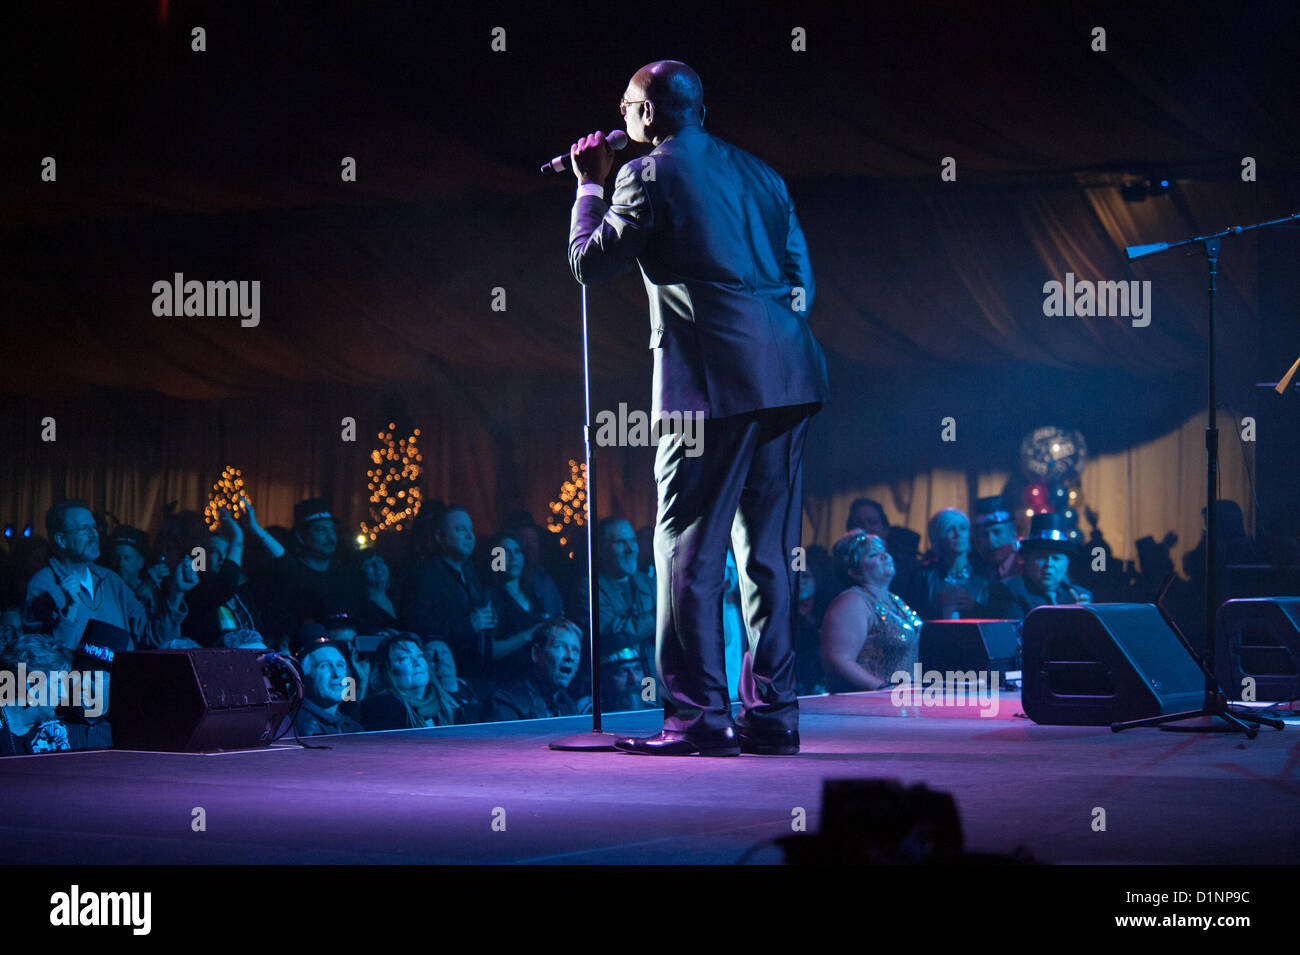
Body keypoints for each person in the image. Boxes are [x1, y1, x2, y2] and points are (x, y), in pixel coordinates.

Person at [568, 60, 829, 756]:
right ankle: (772, 715)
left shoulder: (645, 174)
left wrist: (590, 184)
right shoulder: (764, 174)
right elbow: (802, 277)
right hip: (790, 372)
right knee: (768, 552)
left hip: (709, 385)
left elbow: (591, 262)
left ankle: (696, 717)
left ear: (649, 113)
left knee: (686, 548)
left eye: (626, 105)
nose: (620, 118)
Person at [24, 500, 196, 651]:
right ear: (61, 540)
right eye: (84, 529)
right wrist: (69, 613)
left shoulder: (110, 581)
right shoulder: (42, 586)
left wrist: (176, 593)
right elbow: (44, 662)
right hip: (76, 688)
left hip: (121, 686)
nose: (94, 534)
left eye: (94, 527)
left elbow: (153, 637)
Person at [821, 531, 923, 692]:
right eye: (873, 555)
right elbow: (840, 660)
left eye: (884, 551)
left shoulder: (895, 600)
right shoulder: (852, 602)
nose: (885, 556)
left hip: (901, 702)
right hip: (869, 706)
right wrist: (883, 689)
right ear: (854, 571)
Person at [402, 506, 497, 680]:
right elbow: (418, 629)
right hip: (444, 675)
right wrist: (468, 626)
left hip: (477, 673)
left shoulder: (471, 571)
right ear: (440, 537)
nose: (470, 536)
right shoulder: (425, 576)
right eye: (460, 529)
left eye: (471, 529)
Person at [571, 517, 655, 672]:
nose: (630, 549)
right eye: (621, 542)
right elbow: (610, 633)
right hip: (614, 682)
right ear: (601, 550)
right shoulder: (588, 588)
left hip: (650, 678)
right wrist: (657, 617)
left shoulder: (650, 584)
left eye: (632, 540)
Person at [987, 513, 1093, 619]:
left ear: (1067, 564)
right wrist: (1072, 618)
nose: (1049, 564)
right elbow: (1019, 632)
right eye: (1041, 557)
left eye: (1056, 558)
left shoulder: (1079, 595)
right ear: (1027, 560)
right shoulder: (1009, 590)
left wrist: (1087, 617)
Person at [486, 618, 584, 722]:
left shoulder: (569, 707)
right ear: (536, 654)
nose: (570, 657)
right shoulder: (507, 701)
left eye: (575, 650)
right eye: (559, 646)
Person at [361, 632, 457, 730]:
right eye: (404, 658)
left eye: (420, 655)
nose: (417, 663)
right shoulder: (381, 709)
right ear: (388, 670)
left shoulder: (446, 704)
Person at [911, 508, 992, 620]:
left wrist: (974, 607)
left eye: (963, 528)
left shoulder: (984, 575)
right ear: (937, 537)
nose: (958, 534)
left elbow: (996, 615)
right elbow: (913, 616)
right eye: (950, 529)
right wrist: (935, 607)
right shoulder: (924, 576)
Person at [291, 625, 364, 736]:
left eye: (340, 665)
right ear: (302, 675)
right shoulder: (293, 728)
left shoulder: (353, 728)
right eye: (324, 666)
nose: (337, 674)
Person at [971, 496, 1021, 582]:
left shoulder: (1026, 567)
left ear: (1013, 532)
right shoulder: (974, 571)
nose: (991, 540)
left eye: (997, 532)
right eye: (984, 535)